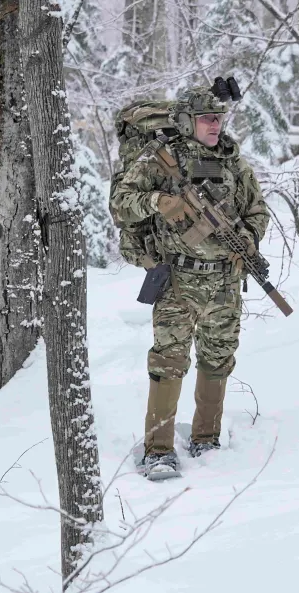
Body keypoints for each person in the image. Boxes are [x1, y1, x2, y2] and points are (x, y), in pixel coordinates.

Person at [110, 86, 269, 476]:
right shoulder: (160, 159)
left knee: (218, 360)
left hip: (225, 282)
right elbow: (120, 203)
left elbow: (257, 210)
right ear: (186, 122)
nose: (215, 124)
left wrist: (247, 239)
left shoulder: (234, 162)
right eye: (206, 118)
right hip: (178, 279)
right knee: (168, 362)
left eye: (218, 117)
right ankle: (159, 449)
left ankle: (206, 439)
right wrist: (157, 202)